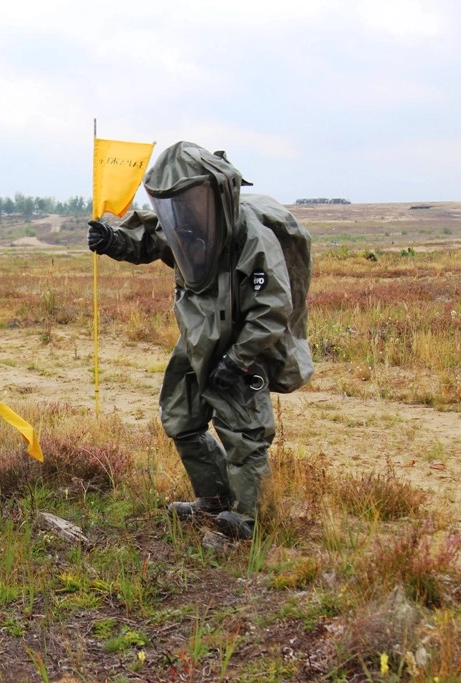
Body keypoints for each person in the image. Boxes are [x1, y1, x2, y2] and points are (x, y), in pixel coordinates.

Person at [87, 141, 297, 540]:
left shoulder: (251, 238)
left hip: (238, 343)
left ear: (216, 192)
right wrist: (113, 240)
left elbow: (272, 309)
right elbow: (153, 238)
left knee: (245, 429)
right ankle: (214, 498)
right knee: (181, 416)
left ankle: (252, 517)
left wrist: (238, 359)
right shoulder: (188, 221)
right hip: (196, 338)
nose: (184, 210)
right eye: (177, 202)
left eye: (190, 200)